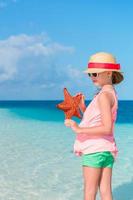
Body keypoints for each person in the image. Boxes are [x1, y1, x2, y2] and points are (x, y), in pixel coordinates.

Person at [64, 52, 124, 200]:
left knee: (89, 193)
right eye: (90, 74)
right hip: (106, 150)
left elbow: (106, 128)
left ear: (109, 73)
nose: (92, 77)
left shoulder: (103, 96)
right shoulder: (111, 93)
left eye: (95, 73)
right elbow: (96, 120)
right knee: (105, 192)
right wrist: (83, 107)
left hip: (93, 150)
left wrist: (78, 129)